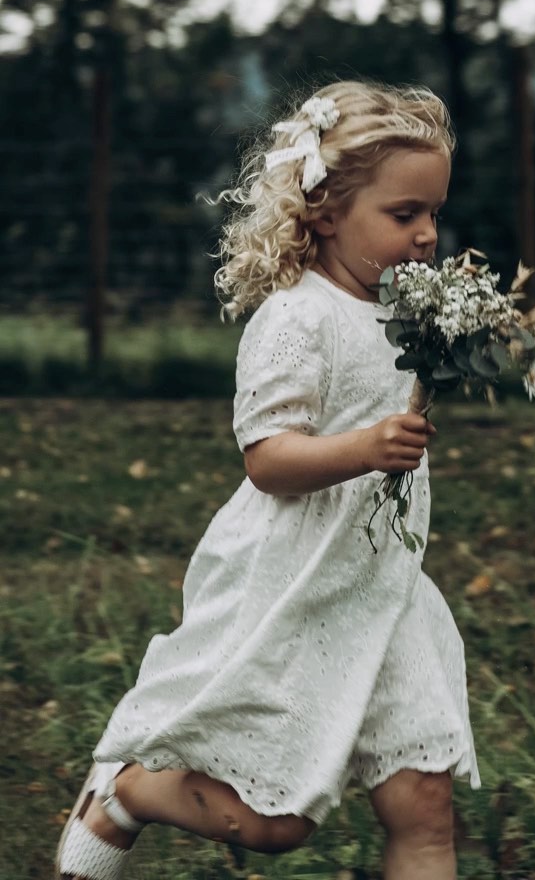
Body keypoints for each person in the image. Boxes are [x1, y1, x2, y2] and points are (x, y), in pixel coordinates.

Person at [56, 79, 480, 880]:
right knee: (275, 825)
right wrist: (366, 446)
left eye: (434, 213)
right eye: (404, 215)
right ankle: (131, 791)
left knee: (424, 804)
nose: (428, 234)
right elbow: (267, 458)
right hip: (295, 583)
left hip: (384, 588)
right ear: (326, 212)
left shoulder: (404, 315)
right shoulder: (296, 317)